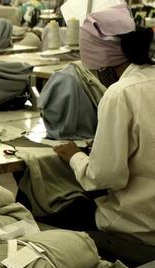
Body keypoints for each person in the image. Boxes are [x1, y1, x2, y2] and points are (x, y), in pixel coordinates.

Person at [53, 4, 155, 246]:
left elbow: (105, 177)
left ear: (102, 65)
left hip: (139, 225)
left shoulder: (120, 94)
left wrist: (75, 157)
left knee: (52, 209)